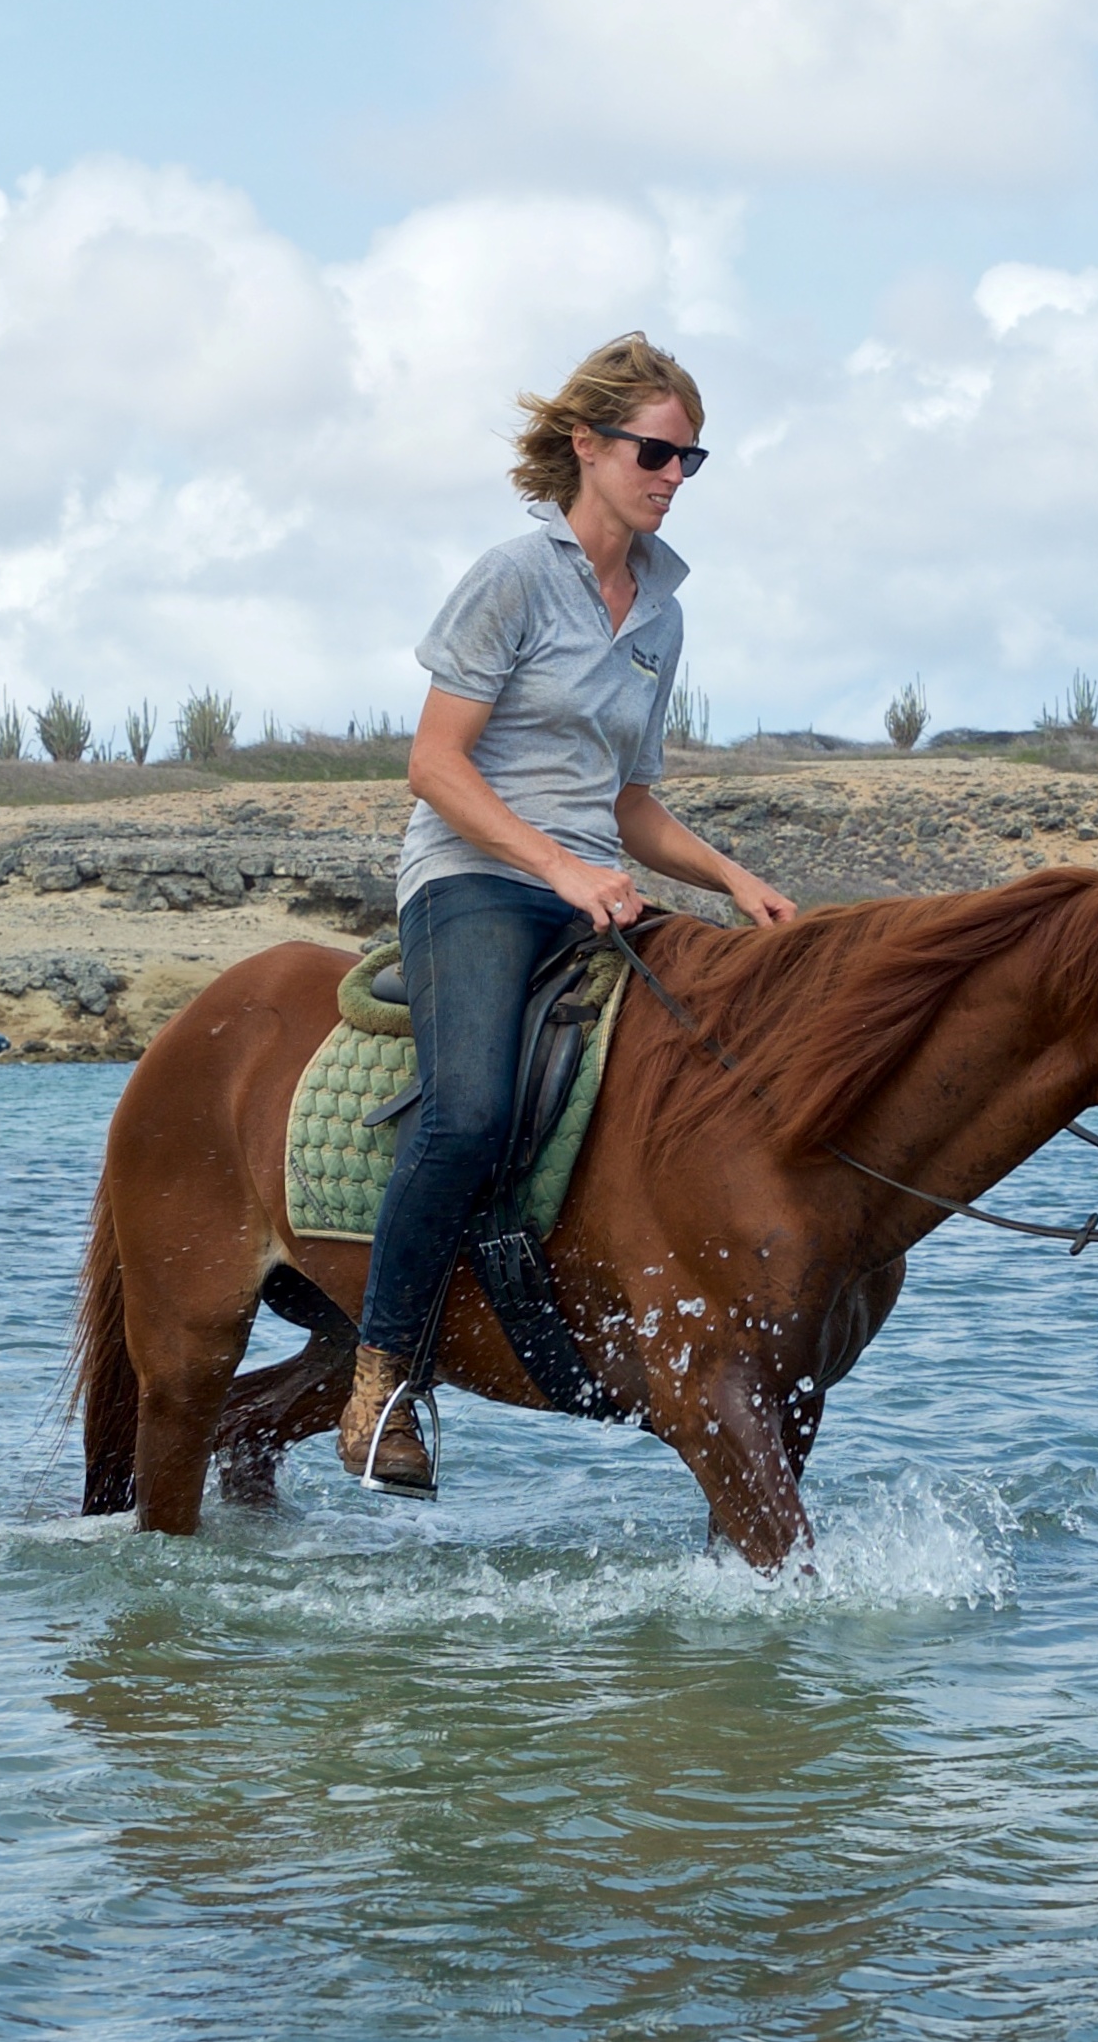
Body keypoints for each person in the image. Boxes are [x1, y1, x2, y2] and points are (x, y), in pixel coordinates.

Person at [341, 331, 799, 1496]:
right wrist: (556, 867)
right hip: (474, 879)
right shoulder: (511, 576)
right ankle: (381, 1380)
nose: (673, 476)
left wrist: (730, 879)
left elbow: (629, 801)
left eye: (691, 459)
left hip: (598, 886)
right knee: (469, 1112)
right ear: (588, 445)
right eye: (655, 452)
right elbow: (434, 765)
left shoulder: (662, 613)